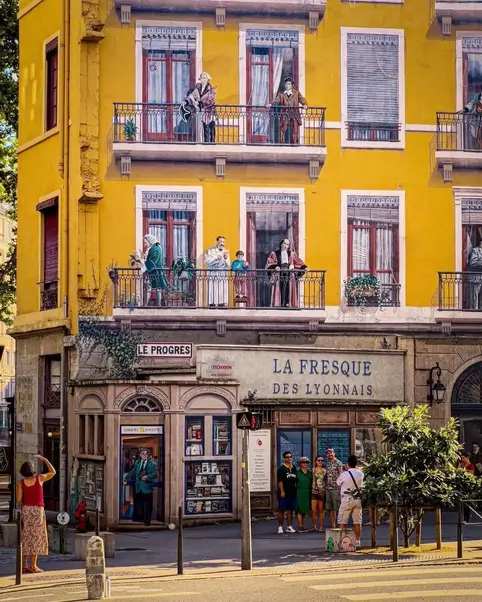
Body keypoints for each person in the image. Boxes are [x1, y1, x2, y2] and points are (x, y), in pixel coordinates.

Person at [16, 455, 56, 573]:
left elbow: (18, 499)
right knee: (36, 536)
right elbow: (53, 472)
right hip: (38, 510)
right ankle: (33, 565)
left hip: (26, 510)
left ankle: (23, 565)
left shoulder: (21, 483)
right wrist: (45, 459)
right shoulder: (40, 479)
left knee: (26, 536)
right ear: (33, 470)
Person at [265, 238, 307, 308]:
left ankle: (288, 304)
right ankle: (279, 304)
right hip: (279, 274)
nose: (285, 245)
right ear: (281, 244)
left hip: (289, 274)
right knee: (280, 289)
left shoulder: (292, 254)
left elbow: (298, 262)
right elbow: (270, 262)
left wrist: (304, 267)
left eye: (287, 244)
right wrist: (275, 266)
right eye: (284, 243)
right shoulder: (274, 253)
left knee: (288, 289)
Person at [267, 77, 307, 144]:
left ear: (292, 85)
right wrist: (271, 104)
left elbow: (302, 99)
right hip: (284, 114)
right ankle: (282, 144)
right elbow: (277, 100)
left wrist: (304, 104)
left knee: (294, 131)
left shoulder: (296, 93)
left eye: (288, 84)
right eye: (286, 84)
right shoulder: (281, 94)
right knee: (282, 129)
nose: (287, 85)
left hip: (294, 115)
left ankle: (294, 144)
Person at [123, 448, 158, 526]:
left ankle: (147, 521)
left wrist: (147, 476)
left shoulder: (152, 464)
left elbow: (155, 474)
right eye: (143, 453)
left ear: (148, 455)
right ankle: (139, 518)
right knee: (138, 503)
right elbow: (133, 471)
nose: (144, 455)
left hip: (147, 487)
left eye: (146, 453)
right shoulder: (137, 462)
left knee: (148, 505)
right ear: (140, 455)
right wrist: (126, 477)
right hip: (138, 486)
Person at [179, 72, 216, 143]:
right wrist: (185, 102)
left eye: (205, 78)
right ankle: (201, 142)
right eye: (202, 78)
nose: (203, 79)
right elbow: (191, 96)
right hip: (199, 112)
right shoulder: (198, 88)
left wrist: (199, 103)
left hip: (208, 112)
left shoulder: (211, 88)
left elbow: (211, 100)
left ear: (208, 79)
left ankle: (208, 144)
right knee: (199, 129)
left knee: (207, 129)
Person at [337, 455, 364, 550]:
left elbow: (338, 483)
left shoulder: (345, 474)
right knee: (357, 521)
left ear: (348, 463)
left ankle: (341, 541)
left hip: (347, 498)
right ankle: (358, 541)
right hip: (358, 498)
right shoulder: (361, 474)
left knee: (342, 520)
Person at [204, 236, 231, 307]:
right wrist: (216, 258)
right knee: (212, 288)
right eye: (221, 241)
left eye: (223, 242)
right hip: (212, 272)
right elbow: (206, 262)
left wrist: (226, 258)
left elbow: (228, 264)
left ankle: (221, 303)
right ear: (217, 242)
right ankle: (212, 303)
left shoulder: (225, 251)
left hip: (222, 272)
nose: (222, 243)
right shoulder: (210, 250)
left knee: (222, 288)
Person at [143, 234, 168, 306]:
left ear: (150, 241)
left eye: (145, 243)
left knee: (151, 288)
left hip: (154, 271)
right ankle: (157, 305)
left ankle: (148, 305)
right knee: (157, 288)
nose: (145, 245)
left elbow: (153, 261)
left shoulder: (155, 248)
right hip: (155, 270)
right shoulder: (156, 247)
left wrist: (144, 262)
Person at [277, 450, 297, 534]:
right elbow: (280, 481)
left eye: (290, 457)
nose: (289, 458)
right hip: (284, 492)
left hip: (292, 492)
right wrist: (282, 491)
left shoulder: (294, 468)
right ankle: (280, 527)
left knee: (290, 510)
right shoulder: (281, 469)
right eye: (287, 457)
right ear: (284, 458)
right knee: (281, 510)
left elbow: (295, 480)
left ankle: (289, 526)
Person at [325, 448, 343, 528]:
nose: (330, 454)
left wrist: (340, 487)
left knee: (338, 507)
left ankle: (340, 524)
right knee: (330, 508)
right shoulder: (328, 464)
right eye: (328, 453)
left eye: (331, 453)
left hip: (336, 488)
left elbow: (341, 475)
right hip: (328, 488)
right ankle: (333, 525)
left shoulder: (338, 463)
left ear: (334, 453)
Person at [296, 457, 312, 532]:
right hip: (299, 491)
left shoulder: (310, 473)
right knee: (299, 509)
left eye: (306, 462)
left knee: (305, 510)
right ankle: (300, 526)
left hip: (307, 491)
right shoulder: (297, 473)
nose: (305, 464)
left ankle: (303, 526)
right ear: (300, 464)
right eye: (303, 462)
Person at [459, 451, 475, 523]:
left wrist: (463, 471)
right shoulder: (461, 465)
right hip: (460, 485)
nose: (462, 459)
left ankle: (466, 518)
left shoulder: (470, 465)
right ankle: (461, 518)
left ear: (467, 458)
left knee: (466, 503)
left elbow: (471, 475)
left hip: (467, 486)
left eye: (463, 458)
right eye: (461, 458)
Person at [311, 455, 326, 532]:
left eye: (322, 461)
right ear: (316, 462)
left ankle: (321, 526)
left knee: (321, 510)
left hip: (322, 491)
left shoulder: (325, 470)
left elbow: (326, 480)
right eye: (319, 460)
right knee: (313, 510)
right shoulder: (313, 470)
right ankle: (314, 526)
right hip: (314, 491)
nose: (320, 462)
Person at [468, 241, 482, 310]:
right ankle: (474, 310)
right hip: (476, 278)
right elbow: (472, 263)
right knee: (475, 298)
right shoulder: (475, 250)